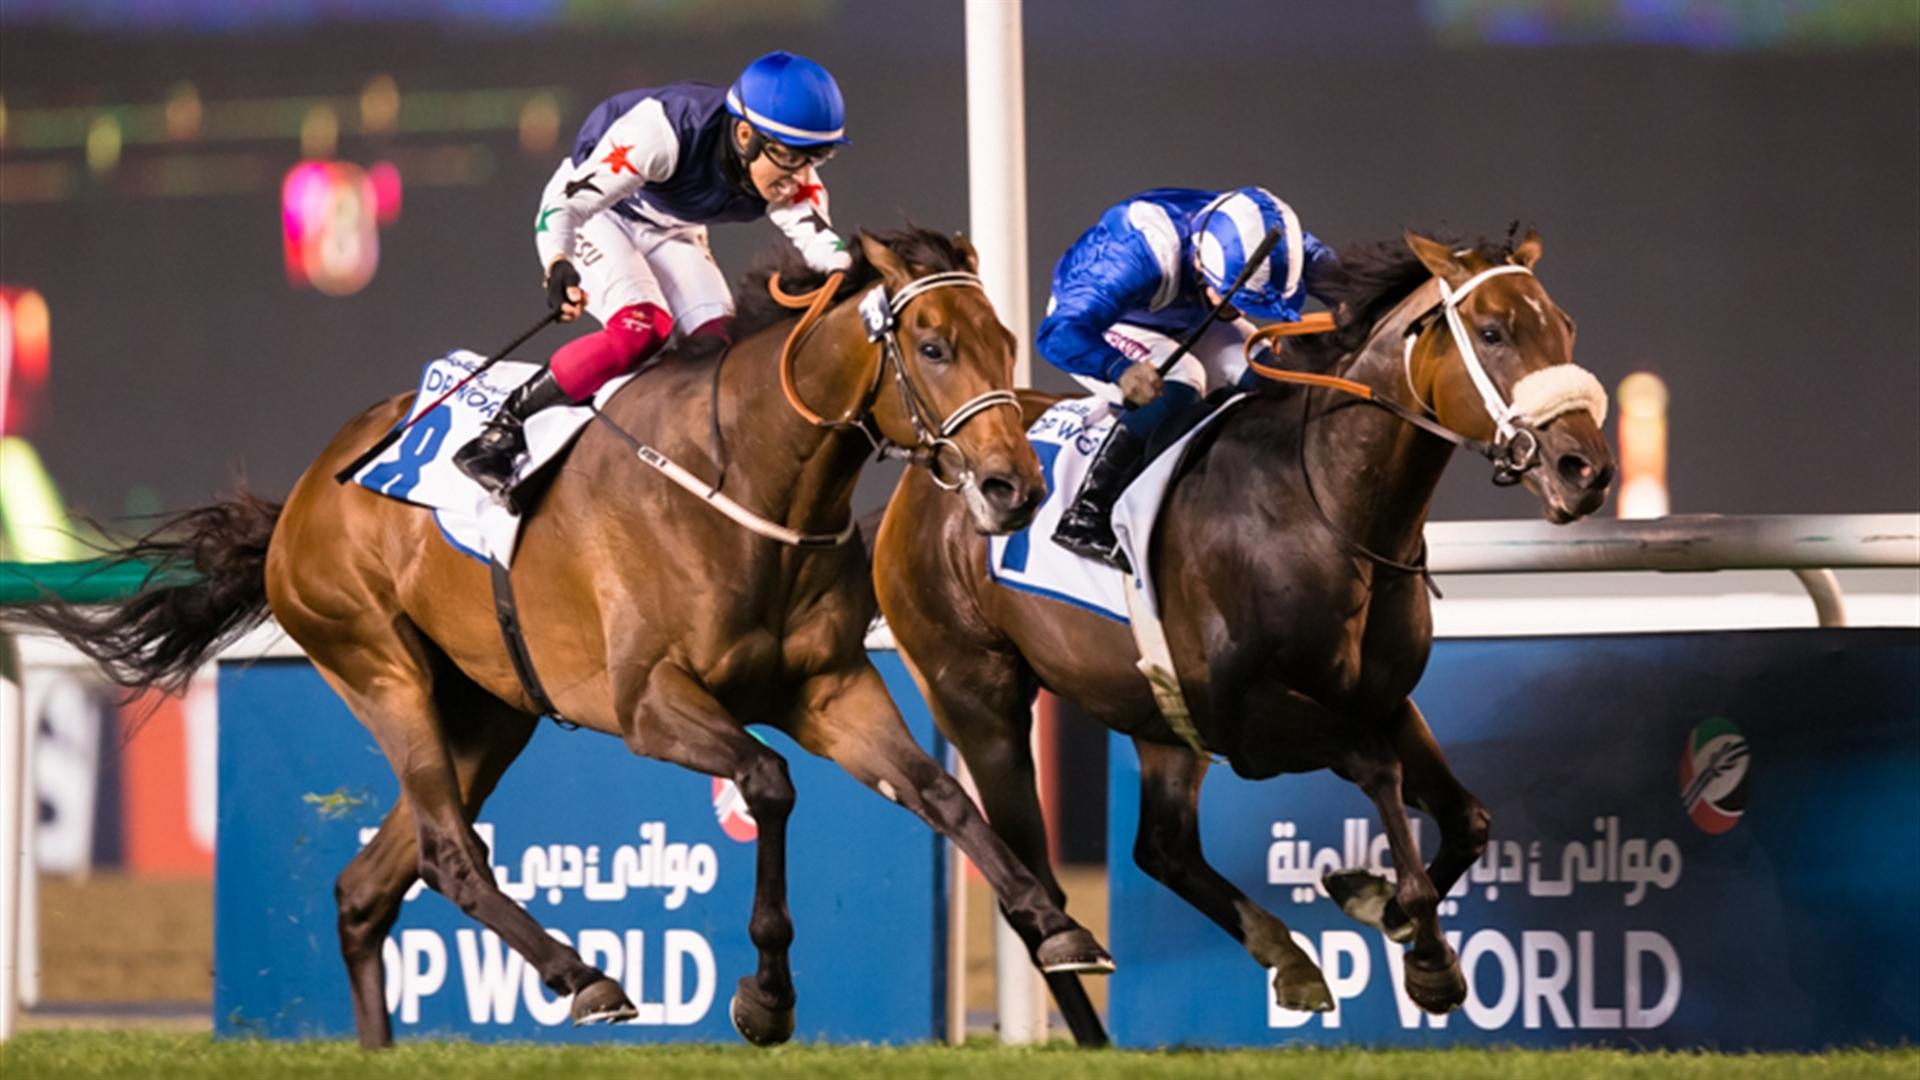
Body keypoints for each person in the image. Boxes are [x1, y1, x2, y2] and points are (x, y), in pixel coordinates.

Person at [454, 50, 854, 497]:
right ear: (745, 135)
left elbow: (832, 257)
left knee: (718, 348)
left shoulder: (788, 173)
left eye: (816, 158)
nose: (799, 178)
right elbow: (566, 204)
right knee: (642, 329)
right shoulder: (662, 133)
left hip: (670, 225)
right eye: (790, 158)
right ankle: (503, 429)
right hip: (598, 214)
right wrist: (558, 262)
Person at [1036, 186, 1341, 568]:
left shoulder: (1276, 242)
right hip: (1105, 323)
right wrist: (1118, 368)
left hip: (1188, 313)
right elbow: (1056, 332)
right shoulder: (1135, 255)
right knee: (1181, 379)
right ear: (1201, 263)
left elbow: (1348, 288)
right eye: (1236, 299)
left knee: (1273, 379)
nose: (1245, 312)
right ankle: (1088, 515)